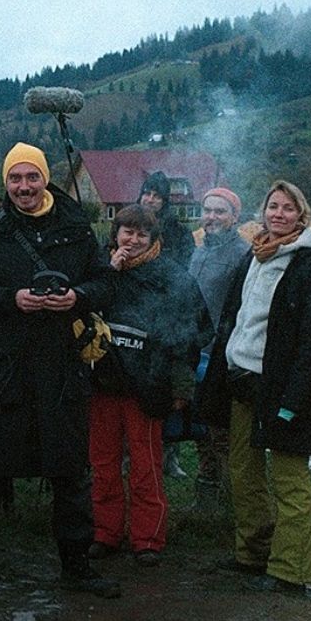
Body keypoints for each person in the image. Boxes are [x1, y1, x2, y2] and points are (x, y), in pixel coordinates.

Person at [0, 142, 118, 599]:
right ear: (5, 184)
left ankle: (77, 567)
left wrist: (77, 297)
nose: (24, 187)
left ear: (45, 178)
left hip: (63, 370)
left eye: (31, 177)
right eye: (14, 179)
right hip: (4, 371)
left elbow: (104, 284)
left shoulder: (76, 228)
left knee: (70, 474)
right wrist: (12, 299)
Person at [196, 180, 311, 597]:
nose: (278, 214)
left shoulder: (308, 267)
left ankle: (292, 571)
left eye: (288, 208)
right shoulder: (255, 256)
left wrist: (294, 399)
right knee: (243, 471)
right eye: (273, 206)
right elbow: (235, 317)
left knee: (289, 480)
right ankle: (252, 553)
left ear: (301, 215)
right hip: (242, 379)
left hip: (281, 386)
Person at [89, 204, 211, 566]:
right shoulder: (100, 271)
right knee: (103, 464)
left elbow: (191, 336)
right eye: (127, 232)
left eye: (142, 234)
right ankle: (105, 533)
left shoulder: (172, 277)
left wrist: (181, 387)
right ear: (116, 235)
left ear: (153, 238)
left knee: (146, 466)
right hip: (104, 382)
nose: (134, 240)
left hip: (149, 384)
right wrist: (107, 274)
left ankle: (147, 539)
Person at [188, 187, 250, 509]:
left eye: (219, 211)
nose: (211, 217)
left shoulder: (243, 254)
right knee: (200, 426)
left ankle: (232, 499)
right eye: (207, 210)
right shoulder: (199, 250)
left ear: (234, 217)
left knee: (221, 429)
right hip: (195, 349)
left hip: (223, 353)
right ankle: (207, 492)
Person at [138, 171, 195, 478]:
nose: (150, 199)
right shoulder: (129, 224)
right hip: (134, 316)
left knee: (168, 389)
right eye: (147, 193)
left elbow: (184, 273)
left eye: (157, 195)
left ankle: (169, 454)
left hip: (168, 315)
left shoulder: (178, 233)